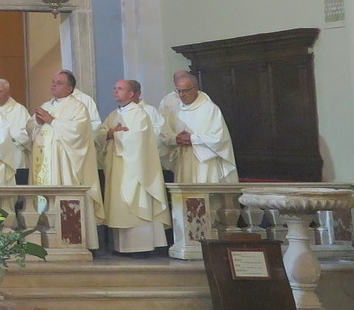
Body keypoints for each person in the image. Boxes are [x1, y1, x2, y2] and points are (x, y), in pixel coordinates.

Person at [30, 69, 103, 248]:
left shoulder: (77, 107)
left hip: (65, 166)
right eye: (53, 82)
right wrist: (37, 123)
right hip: (45, 164)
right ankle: (45, 242)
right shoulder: (46, 105)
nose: (53, 85)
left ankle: (73, 243)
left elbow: (79, 133)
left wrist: (52, 121)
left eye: (59, 83)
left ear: (70, 89)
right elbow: (30, 127)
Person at [101, 79, 170, 254]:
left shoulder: (139, 114)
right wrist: (109, 133)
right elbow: (101, 134)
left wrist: (116, 135)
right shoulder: (113, 115)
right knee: (121, 206)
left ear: (131, 94)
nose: (116, 91)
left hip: (135, 170)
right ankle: (122, 247)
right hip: (118, 168)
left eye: (120, 89)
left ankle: (141, 248)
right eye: (115, 88)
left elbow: (139, 140)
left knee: (136, 202)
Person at [161, 71, 239, 183]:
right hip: (182, 161)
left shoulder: (210, 109)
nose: (181, 95)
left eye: (185, 91)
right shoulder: (175, 111)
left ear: (195, 89)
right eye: (179, 91)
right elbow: (165, 134)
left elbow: (219, 139)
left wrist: (192, 139)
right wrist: (175, 139)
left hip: (205, 163)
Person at [0, 78, 34, 185]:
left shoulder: (19, 110)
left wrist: (10, 138)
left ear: (8, 92)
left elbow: (29, 134)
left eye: (0, 91)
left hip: (15, 157)